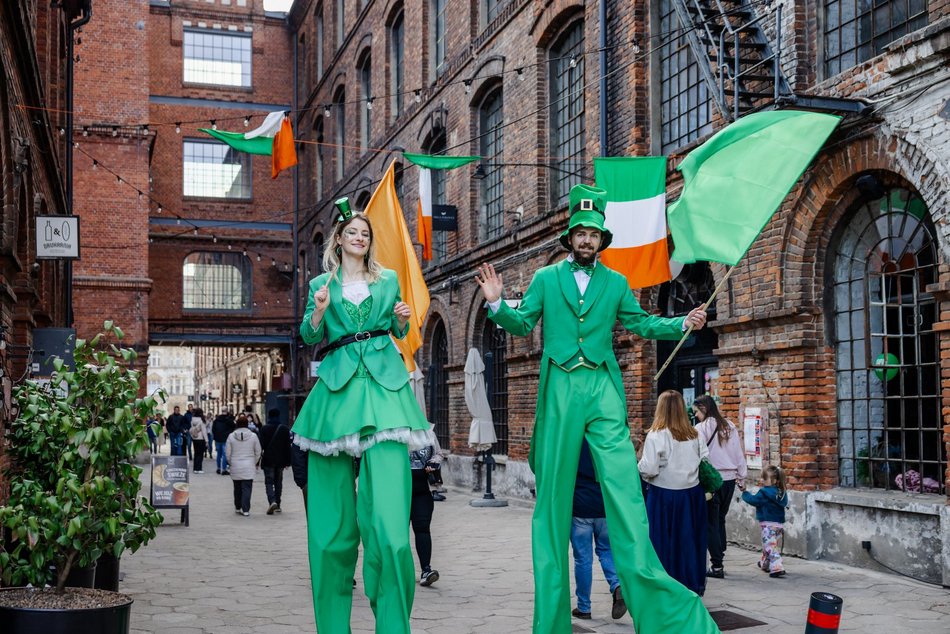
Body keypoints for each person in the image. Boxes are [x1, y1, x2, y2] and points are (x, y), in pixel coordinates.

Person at [474, 183, 716, 634]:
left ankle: (656, 604)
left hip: (603, 385)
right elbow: (522, 323)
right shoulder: (547, 279)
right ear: (570, 237)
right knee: (552, 502)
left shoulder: (616, 282)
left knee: (625, 490)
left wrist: (681, 321)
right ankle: (551, 621)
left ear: (602, 240)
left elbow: (642, 323)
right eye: (581, 233)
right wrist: (495, 302)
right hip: (561, 386)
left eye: (594, 234)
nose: (587, 240)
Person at [293, 199, 434, 633]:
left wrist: (401, 319)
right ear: (339, 239)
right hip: (335, 394)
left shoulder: (387, 279)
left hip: (385, 391)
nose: (359, 237)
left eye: (365, 233)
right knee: (330, 535)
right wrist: (319, 308)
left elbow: (398, 331)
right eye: (352, 232)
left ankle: (393, 626)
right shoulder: (321, 283)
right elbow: (309, 335)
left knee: (391, 534)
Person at [638, 390, 709, 597]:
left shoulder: (656, 435)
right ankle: (690, 583)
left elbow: (649, 469)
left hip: (663, 495)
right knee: (689, 540)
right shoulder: (695, 434)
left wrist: (638, 466)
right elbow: (705, 461)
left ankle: (664, 585)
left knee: (662, 541)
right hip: (691, 494)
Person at [693, 394, 747, 579]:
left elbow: (699, 455)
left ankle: (717, 565)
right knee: (720, 519)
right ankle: (719, 556)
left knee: (711, 522)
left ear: (704, 409)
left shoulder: (700, 428)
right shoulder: (729, 426)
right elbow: (738, 453)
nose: (696, 416)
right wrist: (742, 476)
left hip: (712, 480)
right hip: (730, 480)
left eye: (696, 412)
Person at [570, 439, 625, 621]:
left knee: (583, 559)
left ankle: (584, 607)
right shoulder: (606, 439)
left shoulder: (572, 440)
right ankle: (617, 586)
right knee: (606, 550)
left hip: (580, 506)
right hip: (604, 505)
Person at [741, 465, 788, 578]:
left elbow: (753, 500)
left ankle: (777, 567)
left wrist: (745, 492)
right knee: (770, 545)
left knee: (769, 546)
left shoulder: (764, 492)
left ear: (775, 481)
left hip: (768, 525)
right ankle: (765, 564)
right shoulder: (781, 492)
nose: (762, 480)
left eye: (764, 478)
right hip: (778, 525)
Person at [409, 431, 442, 587]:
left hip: (422, 490)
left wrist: (433, 463)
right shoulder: (393, 432)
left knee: (422, 527)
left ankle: (426, 570)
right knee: (398, 533)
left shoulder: (428, 433)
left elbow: (438, 454)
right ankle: (399, 570)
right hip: (397, 494)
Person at [226, 414, 261, 516]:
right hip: (249, 465)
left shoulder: (231, 436)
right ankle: (246, 509)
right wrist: (254, 462)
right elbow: (258, 451)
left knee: (237, 488)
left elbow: (227, 453)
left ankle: (238, 506)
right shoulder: (253, 436)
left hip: (235, 465)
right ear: (247, 424)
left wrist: (231, 462)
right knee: (247, 488)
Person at [259, 408, 292, 515]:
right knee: (278, 482)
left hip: (268, 460)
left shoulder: (264, 429)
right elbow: (288, 447)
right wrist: (288, 462)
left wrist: (257, 461)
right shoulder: (284, 429)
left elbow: (261, 446)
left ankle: (272, 501)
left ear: (269, 415)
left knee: (269, 482)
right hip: (281, 460)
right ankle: (278, 504)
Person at [212, 409, 235, 475]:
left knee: (218, 454)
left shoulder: (216, 420)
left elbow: (213, 429)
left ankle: (218, 468)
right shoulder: (229, 420)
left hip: (218, 439)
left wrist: (216, 436)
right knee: (225, 454)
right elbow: (233, 427)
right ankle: (224, 469)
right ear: (227, 412)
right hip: (226, 439)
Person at [189, 407, 209, 473]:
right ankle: (199, 469)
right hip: (200, 438)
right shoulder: (201, 420)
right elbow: (204, 431)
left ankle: (195, 469)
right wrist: (206, 440)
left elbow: (192, 429)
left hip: (195, 438)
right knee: (200, 454)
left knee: (196, 453)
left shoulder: (192, 420)